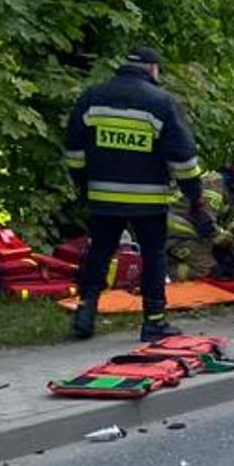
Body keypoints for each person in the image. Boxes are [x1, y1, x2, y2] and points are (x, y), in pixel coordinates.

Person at [63, 46, 204, 342]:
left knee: (99, 252)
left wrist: (85, 185)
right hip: (147, 200)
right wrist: (195, 197)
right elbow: (183, 160)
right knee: (153, 256)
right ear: (153, 69)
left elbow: (74, 152)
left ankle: (86, 310)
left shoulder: (93, 97)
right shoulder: (161, 103)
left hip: (103, 196)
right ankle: (153, 321)